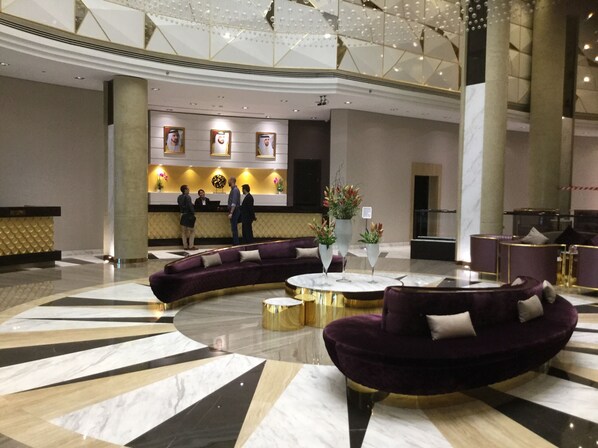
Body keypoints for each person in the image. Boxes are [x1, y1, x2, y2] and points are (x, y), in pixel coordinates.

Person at [177, 184, 196, 250]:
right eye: (188, 189)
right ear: (185, 190)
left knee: (183, 232)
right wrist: (193, 213)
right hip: (188, 215)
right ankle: (191, 246)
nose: (189, 190)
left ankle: (185, 246)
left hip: (182, 214)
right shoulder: (188, 197)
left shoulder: (179, 197)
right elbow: (190, 206)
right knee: (192, 231)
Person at [227, 176, 241, 245]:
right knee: (233, 227)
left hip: (235, 211)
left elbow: (234, 202)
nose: (228, 182)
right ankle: (235, 242)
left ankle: (236, 243)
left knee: (234, 227)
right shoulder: (233, 190)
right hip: (234, 210)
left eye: (229, 180)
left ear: (232, 181)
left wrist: (231, 212)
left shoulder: (235, 190)